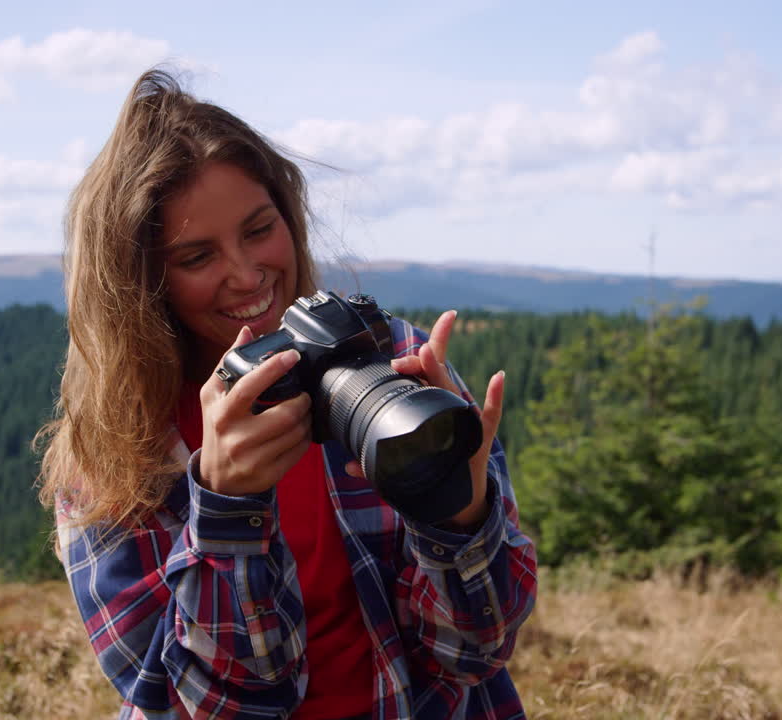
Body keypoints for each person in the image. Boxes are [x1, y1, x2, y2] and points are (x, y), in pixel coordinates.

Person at [37, 68, 538, 720]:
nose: (247, 275)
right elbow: (206, 707)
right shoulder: (113, 450)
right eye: (196, 258)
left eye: (258, 228)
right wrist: (225, 511)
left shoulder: (392, 371)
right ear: (141, 283)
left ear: (289, 215)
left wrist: (460, 519)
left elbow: (473, 656)